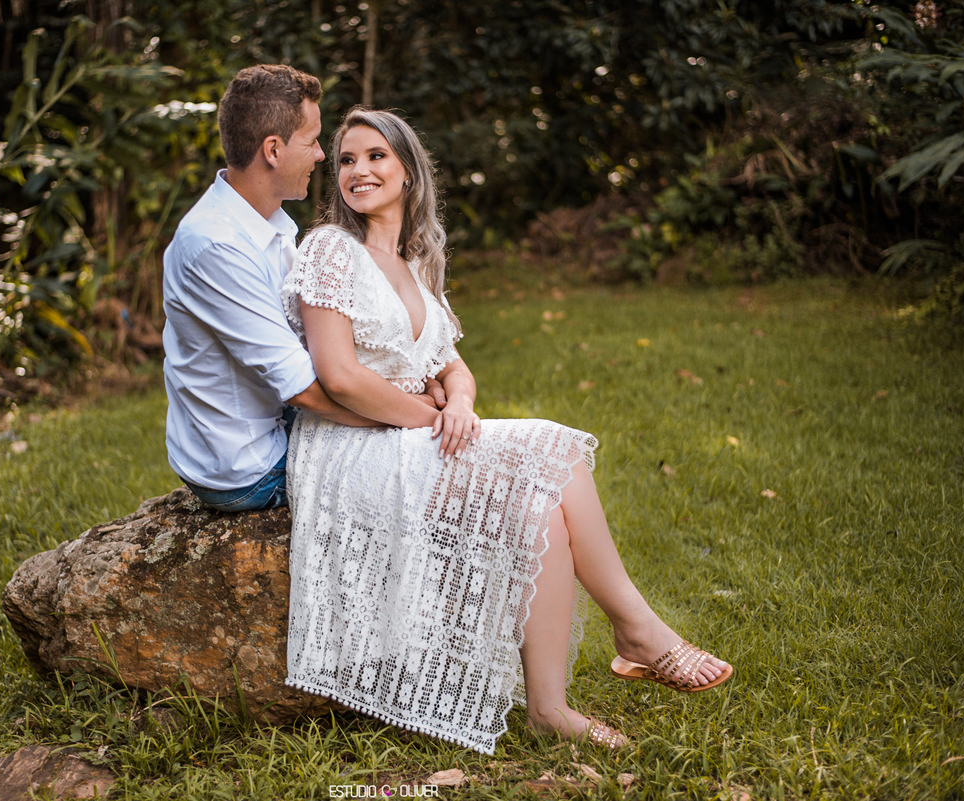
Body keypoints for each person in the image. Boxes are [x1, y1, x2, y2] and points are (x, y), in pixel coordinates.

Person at [281, 108, 732, 755]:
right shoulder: (330, 249)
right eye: (347, 159)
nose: (358, 171)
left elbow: (453, 365)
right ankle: (637, 628)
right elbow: (342, 376)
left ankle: (549, 707)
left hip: (411, 432)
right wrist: (435, 416)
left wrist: (460, 402)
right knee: (555, 446)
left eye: (375, 156)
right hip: (351, 447)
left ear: (408, 170)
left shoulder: (414, 262)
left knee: (540, 513)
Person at [161, 65, 444, 512]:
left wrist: (423, 387)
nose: (320, 156)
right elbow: (305, 389)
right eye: (312, 141)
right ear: (273, 150)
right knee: (447, 485)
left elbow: (336, 343)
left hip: (292, 425)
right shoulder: (215, 245)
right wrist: (421, 419)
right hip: (251, 465)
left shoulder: (269, 227)